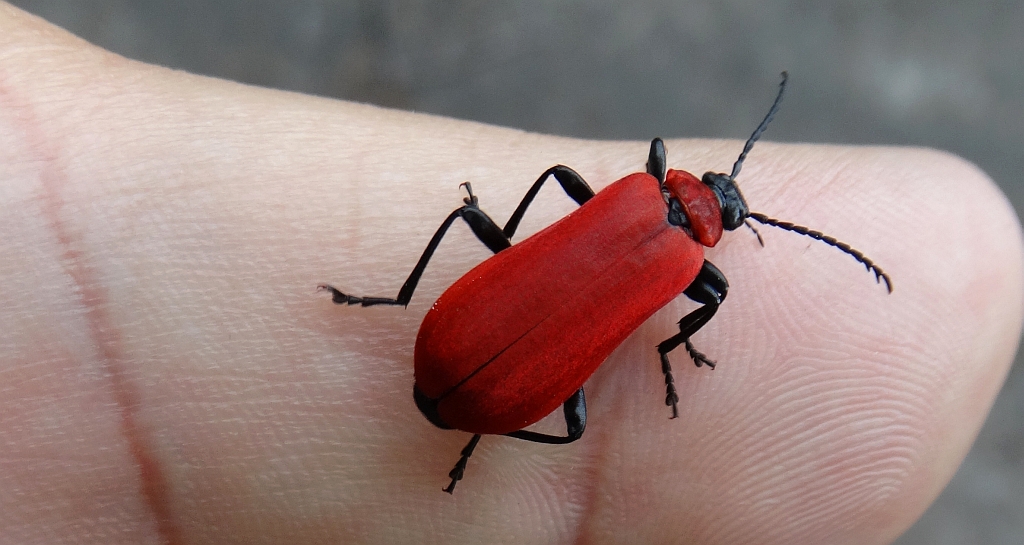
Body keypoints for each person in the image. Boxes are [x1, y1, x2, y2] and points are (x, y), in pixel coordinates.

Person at [0, 5, 1020, 544]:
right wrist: (676, 349)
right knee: (573, 424)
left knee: (481, 207)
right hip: (475, 368)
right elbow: (683, 301)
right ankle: (436, 377)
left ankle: (394, 305)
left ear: (686, 177)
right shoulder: (684, 272)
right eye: (724, 196)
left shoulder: (633, 190)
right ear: (708, 218)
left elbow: (555, 181)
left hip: (474, 351)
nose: (719, 198)